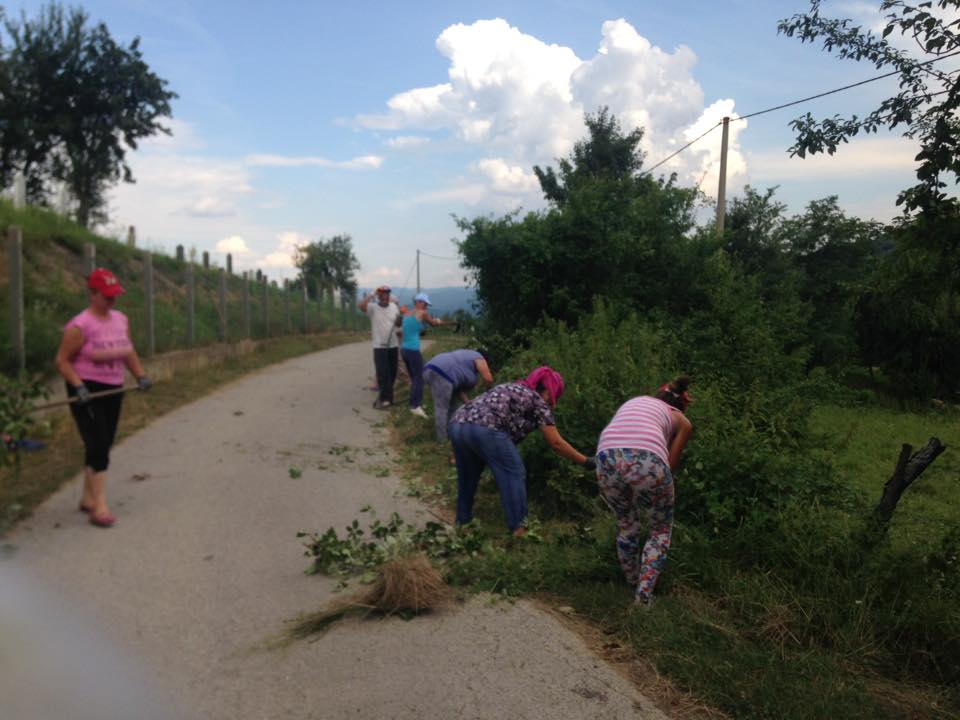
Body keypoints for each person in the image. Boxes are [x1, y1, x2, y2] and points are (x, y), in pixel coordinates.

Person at [54, 269, 152, 528]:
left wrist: (140, 375)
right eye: (106, 296)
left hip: (113, 388)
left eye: (114, 296)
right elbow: (62, 361)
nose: (112, 301)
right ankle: (100, 507)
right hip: (86, 389)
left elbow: (127, 351)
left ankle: (87, 498)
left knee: (103, 442)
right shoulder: (80, 326)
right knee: (98, 444)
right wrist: (79, 386)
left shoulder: (120, 319)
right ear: (92, 294)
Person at [448, 366, 594, 536]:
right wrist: (586, 461)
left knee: (468, 476)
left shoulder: (511, 387)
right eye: (554, 395)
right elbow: (556, 443)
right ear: (547, 389)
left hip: (457, 424)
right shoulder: (537, 400)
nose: (552, 401)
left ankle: (462, 523)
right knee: (514, 471)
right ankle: (519, 530)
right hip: (485, 428)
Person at [594, 375, 694, 606]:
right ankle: (643, 597)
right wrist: (653, 486)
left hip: (605, 456)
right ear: (680, 405)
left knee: (627, 523)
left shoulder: (637, 401)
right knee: (660, 528)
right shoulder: (680, 418)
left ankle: (630, 582)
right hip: (648, 457)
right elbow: (669, 464)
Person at [423, 348, 493, 441]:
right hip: (442, 372)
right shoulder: (479, 357)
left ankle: (452, 433)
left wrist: (467, 402)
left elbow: (457, 390)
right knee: (442, 408)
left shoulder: (465, 357)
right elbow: (488, 379)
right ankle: (442, 440)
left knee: (453, 406)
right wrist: (489, 394)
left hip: (429, 368)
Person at [399, 292, 447, 418]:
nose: (426, 307)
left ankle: (415, 404)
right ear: (419, 302)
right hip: (413, 350)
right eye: (425, 304)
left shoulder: (406, 314)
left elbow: (415, 328)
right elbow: (432, 323)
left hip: (404, 350)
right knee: (419, 378)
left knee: (414, 378)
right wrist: (437, 321)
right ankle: (415, 406)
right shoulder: (422, 313)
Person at [358, 286, 402, 409]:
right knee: (383, 374)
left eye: (386, 294)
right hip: (379, 347)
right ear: (378, 296)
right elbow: (361, 306)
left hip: (393, 345)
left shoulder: (394, 307)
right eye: (381, 295)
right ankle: (385, 399)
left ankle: (388, 397)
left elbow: (398, 323)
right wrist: (372, 294)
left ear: (389, 296)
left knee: (393, 373)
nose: (384, 297)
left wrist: (400, 320)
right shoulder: (373, 307)